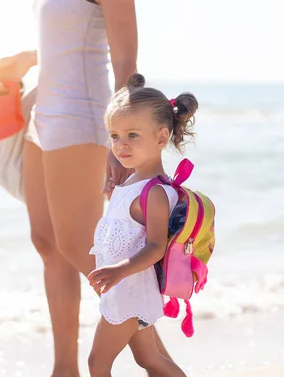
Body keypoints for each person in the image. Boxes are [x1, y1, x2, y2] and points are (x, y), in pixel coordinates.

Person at [0, 0, 173, 375]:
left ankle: (160, 363)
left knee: (82, 249)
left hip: (81, 119)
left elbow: (125, 61)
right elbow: (68, 37)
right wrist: (28, 59)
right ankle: (64, 370)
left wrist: (119, 142)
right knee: (48, 243)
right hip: (43, 115)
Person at [87, 73, 197, 376]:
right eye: (114, 136)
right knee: (149, 360)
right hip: (127, 289)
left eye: (132, 135)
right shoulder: (134, 182)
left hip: (130, 289)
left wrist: (119, 270)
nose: (121, 145)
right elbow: (126, 230)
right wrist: (114, 197)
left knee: (97, 363)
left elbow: (155, 248)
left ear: (161, 137)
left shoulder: (156, 192)